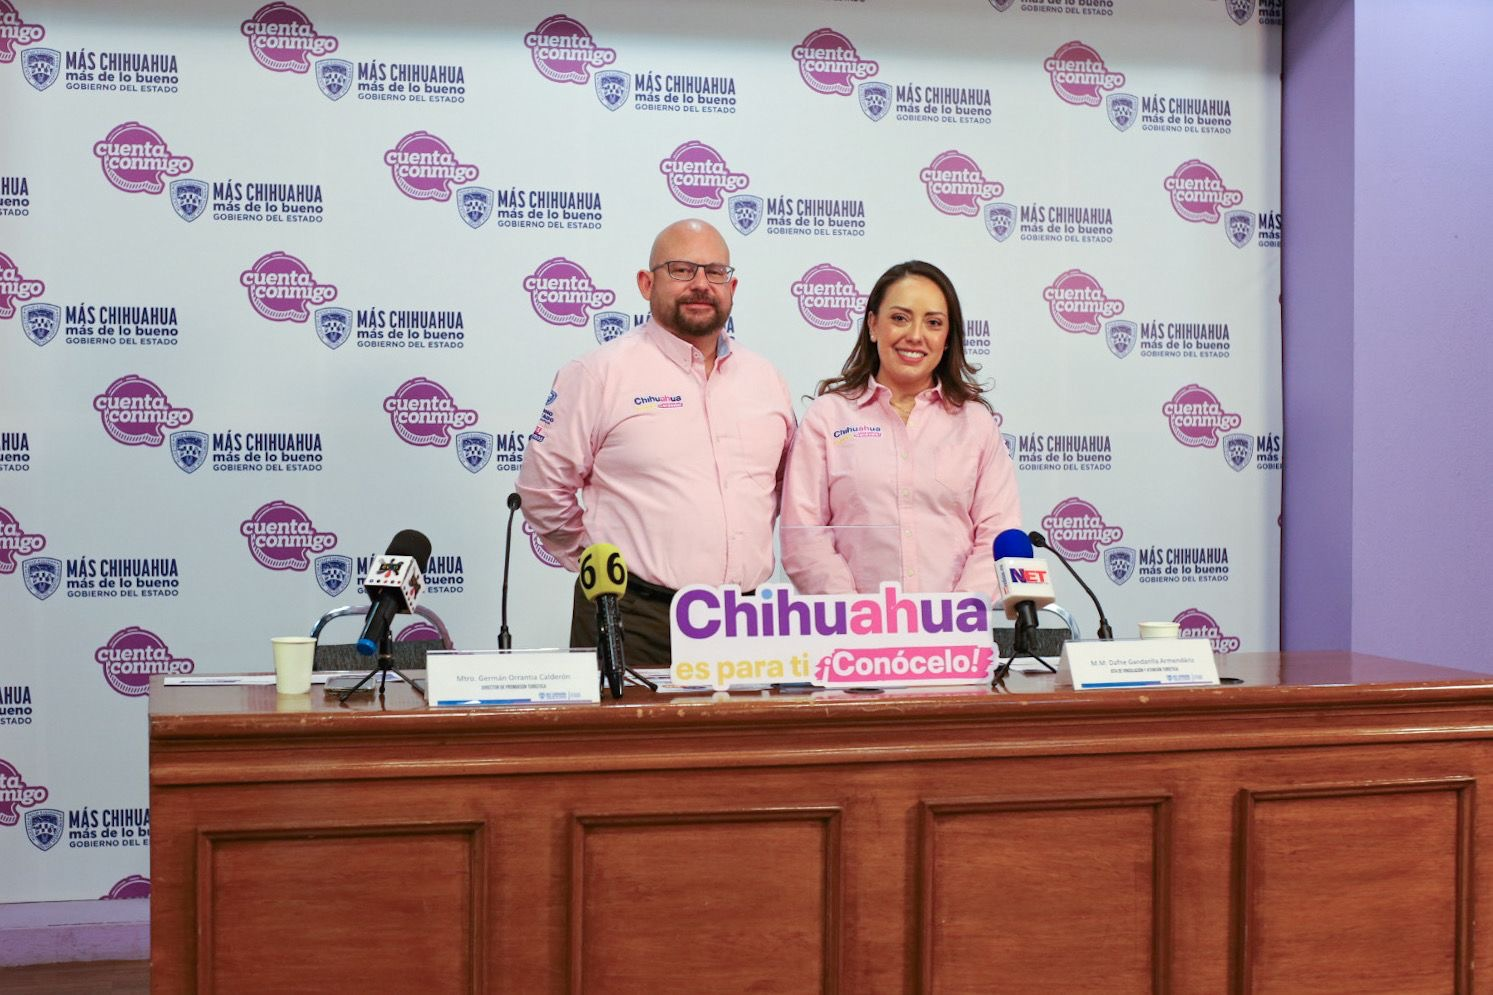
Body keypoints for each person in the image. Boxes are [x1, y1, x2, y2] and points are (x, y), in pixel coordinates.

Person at [517, 219, 795, 664]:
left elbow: (784, 488)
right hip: (632, 617)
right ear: (646, 284)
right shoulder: (598, 374)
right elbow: (541, 490)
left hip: (744, 623)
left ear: (732, 287)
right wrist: (597, 562)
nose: (701, 284)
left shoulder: (766, 379)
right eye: (681, 269)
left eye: (715, 272)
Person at [780, 260, 1020, 599]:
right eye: (900, 318)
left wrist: (955, 613)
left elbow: (998, 533)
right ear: (873, 325)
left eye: (933, 323)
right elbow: (803, 533)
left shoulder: (976, 424)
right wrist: (855, 614)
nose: (915, 335)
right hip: (851, 624)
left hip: (955, 626)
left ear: (947, 338)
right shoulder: (828, 417)